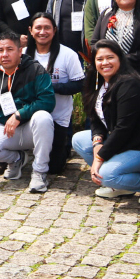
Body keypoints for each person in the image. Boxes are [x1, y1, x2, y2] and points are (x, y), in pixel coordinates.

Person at [71, 40, 140, 203]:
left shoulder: (130, 84)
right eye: (100, 59)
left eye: (110, 57)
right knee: (79, 140)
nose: (105, 63)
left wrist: (99, 158)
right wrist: (97, 142)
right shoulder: (99, 83)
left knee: (107, 174)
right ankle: (122, 186)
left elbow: (124, 128)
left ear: (120, 59)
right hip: (122, 142)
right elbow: (95, 118)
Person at [0, 33, 54, 193]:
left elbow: (47, 100)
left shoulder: (36, 70)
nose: (4, 54)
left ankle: (39, 172)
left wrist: (19, 114)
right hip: (7, 129)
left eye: (9, 49)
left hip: (32, 128)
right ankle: (17, 159)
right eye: (0, 50)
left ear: (20, 51)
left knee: (44, 117)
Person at [25, 13, 84, 174]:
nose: (42, 32)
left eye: (47, 28)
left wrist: (50, 87)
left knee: (55, 168)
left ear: (55, 30)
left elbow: (79, 84)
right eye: (38, 27)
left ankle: (63, 147)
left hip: (58, 117)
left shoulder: (68, 54)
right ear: (30, 30)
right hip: (26, 115)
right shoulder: (22, 54)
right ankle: (19, 153)